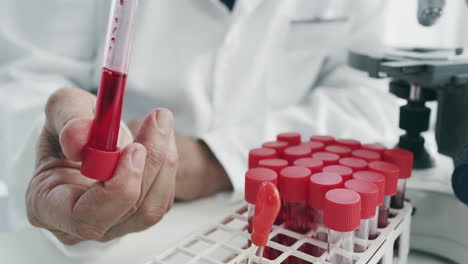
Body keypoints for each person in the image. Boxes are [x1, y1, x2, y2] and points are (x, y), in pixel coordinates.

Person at [1, 0, 400, 256]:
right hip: (109, 229)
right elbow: (20, 77)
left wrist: (216, 158)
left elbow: (372, 95)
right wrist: (54, 158)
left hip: (269, 218)